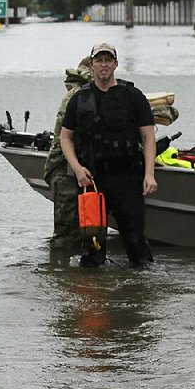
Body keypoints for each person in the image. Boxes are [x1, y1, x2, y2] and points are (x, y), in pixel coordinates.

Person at [59, 42, 157, 268]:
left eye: (108, 60)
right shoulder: (79, 99)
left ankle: (140, 295)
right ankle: (93, 297)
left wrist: (149, 175)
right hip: (91, 181)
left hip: (128, 178)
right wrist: (76, 168)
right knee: (92, 246)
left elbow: (148, 136)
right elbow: (65, 138)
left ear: (115, 64)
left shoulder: (133, 96)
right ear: (91, 66)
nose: (104, 65)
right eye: (99, 60)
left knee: (137, 245)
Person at [43, 56, 91, 249]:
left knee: (85, 231)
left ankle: (68, 275)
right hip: (66, 172)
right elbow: (63, 138)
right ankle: (59, 272)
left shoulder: (82, 93)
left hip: (77, 171)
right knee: (65, 236)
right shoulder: (77, 96)